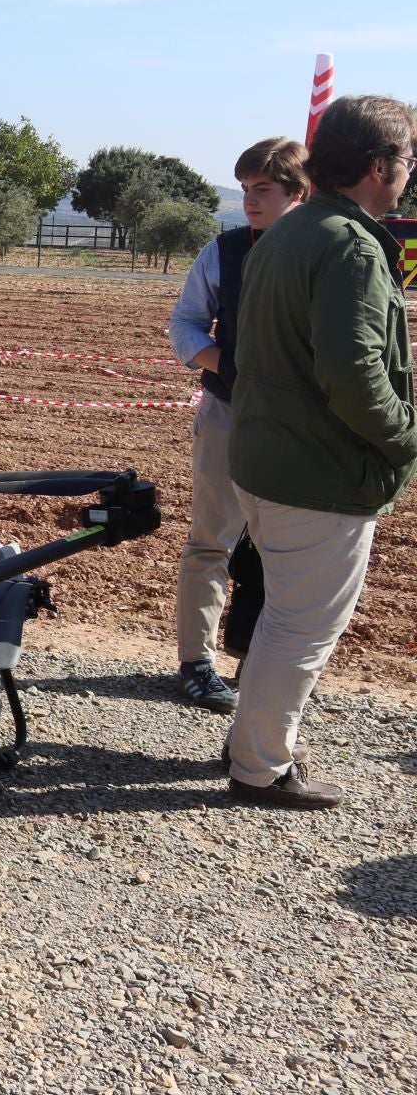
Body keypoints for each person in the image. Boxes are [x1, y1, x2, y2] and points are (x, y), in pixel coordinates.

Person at [225, 94, 417, 810]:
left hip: (268, 459)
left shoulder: (293, 229)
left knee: (281, 617)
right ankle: (261, 768)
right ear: (379, 166)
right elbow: (355, 375)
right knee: (302, 630)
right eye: (407, 160)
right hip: (316, 473)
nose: (409, 172)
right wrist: (406, 437)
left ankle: (252, 740)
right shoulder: (351, 244)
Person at [166, 137, 310, 714]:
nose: (250, 200)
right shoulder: (221, 252)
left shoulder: (324, 251)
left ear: (298, 194)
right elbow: (185, 326)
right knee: (211, 542)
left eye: (263, 190)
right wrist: (233, 368)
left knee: (284, 551)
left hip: (301, 430)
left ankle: (263, 666)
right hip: (228, 414)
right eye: (246, 189)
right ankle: (195, 664)